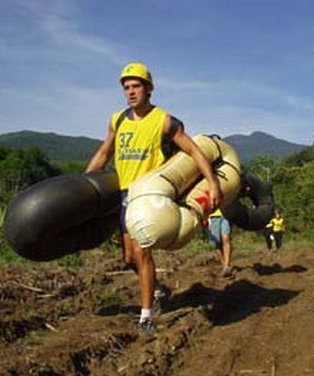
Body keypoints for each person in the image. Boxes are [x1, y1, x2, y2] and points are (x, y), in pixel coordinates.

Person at [85, 62, 222, 333]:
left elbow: (195, 151)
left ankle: (146, 316)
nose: (131, 92)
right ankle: (156, 289)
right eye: (127, 87)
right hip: (125, 194)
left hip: (148, 195)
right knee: (128, 258)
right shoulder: (118, 120)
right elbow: (104, 153)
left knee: (141, 251)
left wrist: (213, 182)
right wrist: (84, 183)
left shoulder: (163, 120)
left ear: (149, 89)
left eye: (136, 86)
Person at [208, 208, 233, 277]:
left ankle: (227, 266)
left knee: (226, 238)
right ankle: (224, 265)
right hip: (213, 216)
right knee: (216, 243)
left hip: (226, 214)